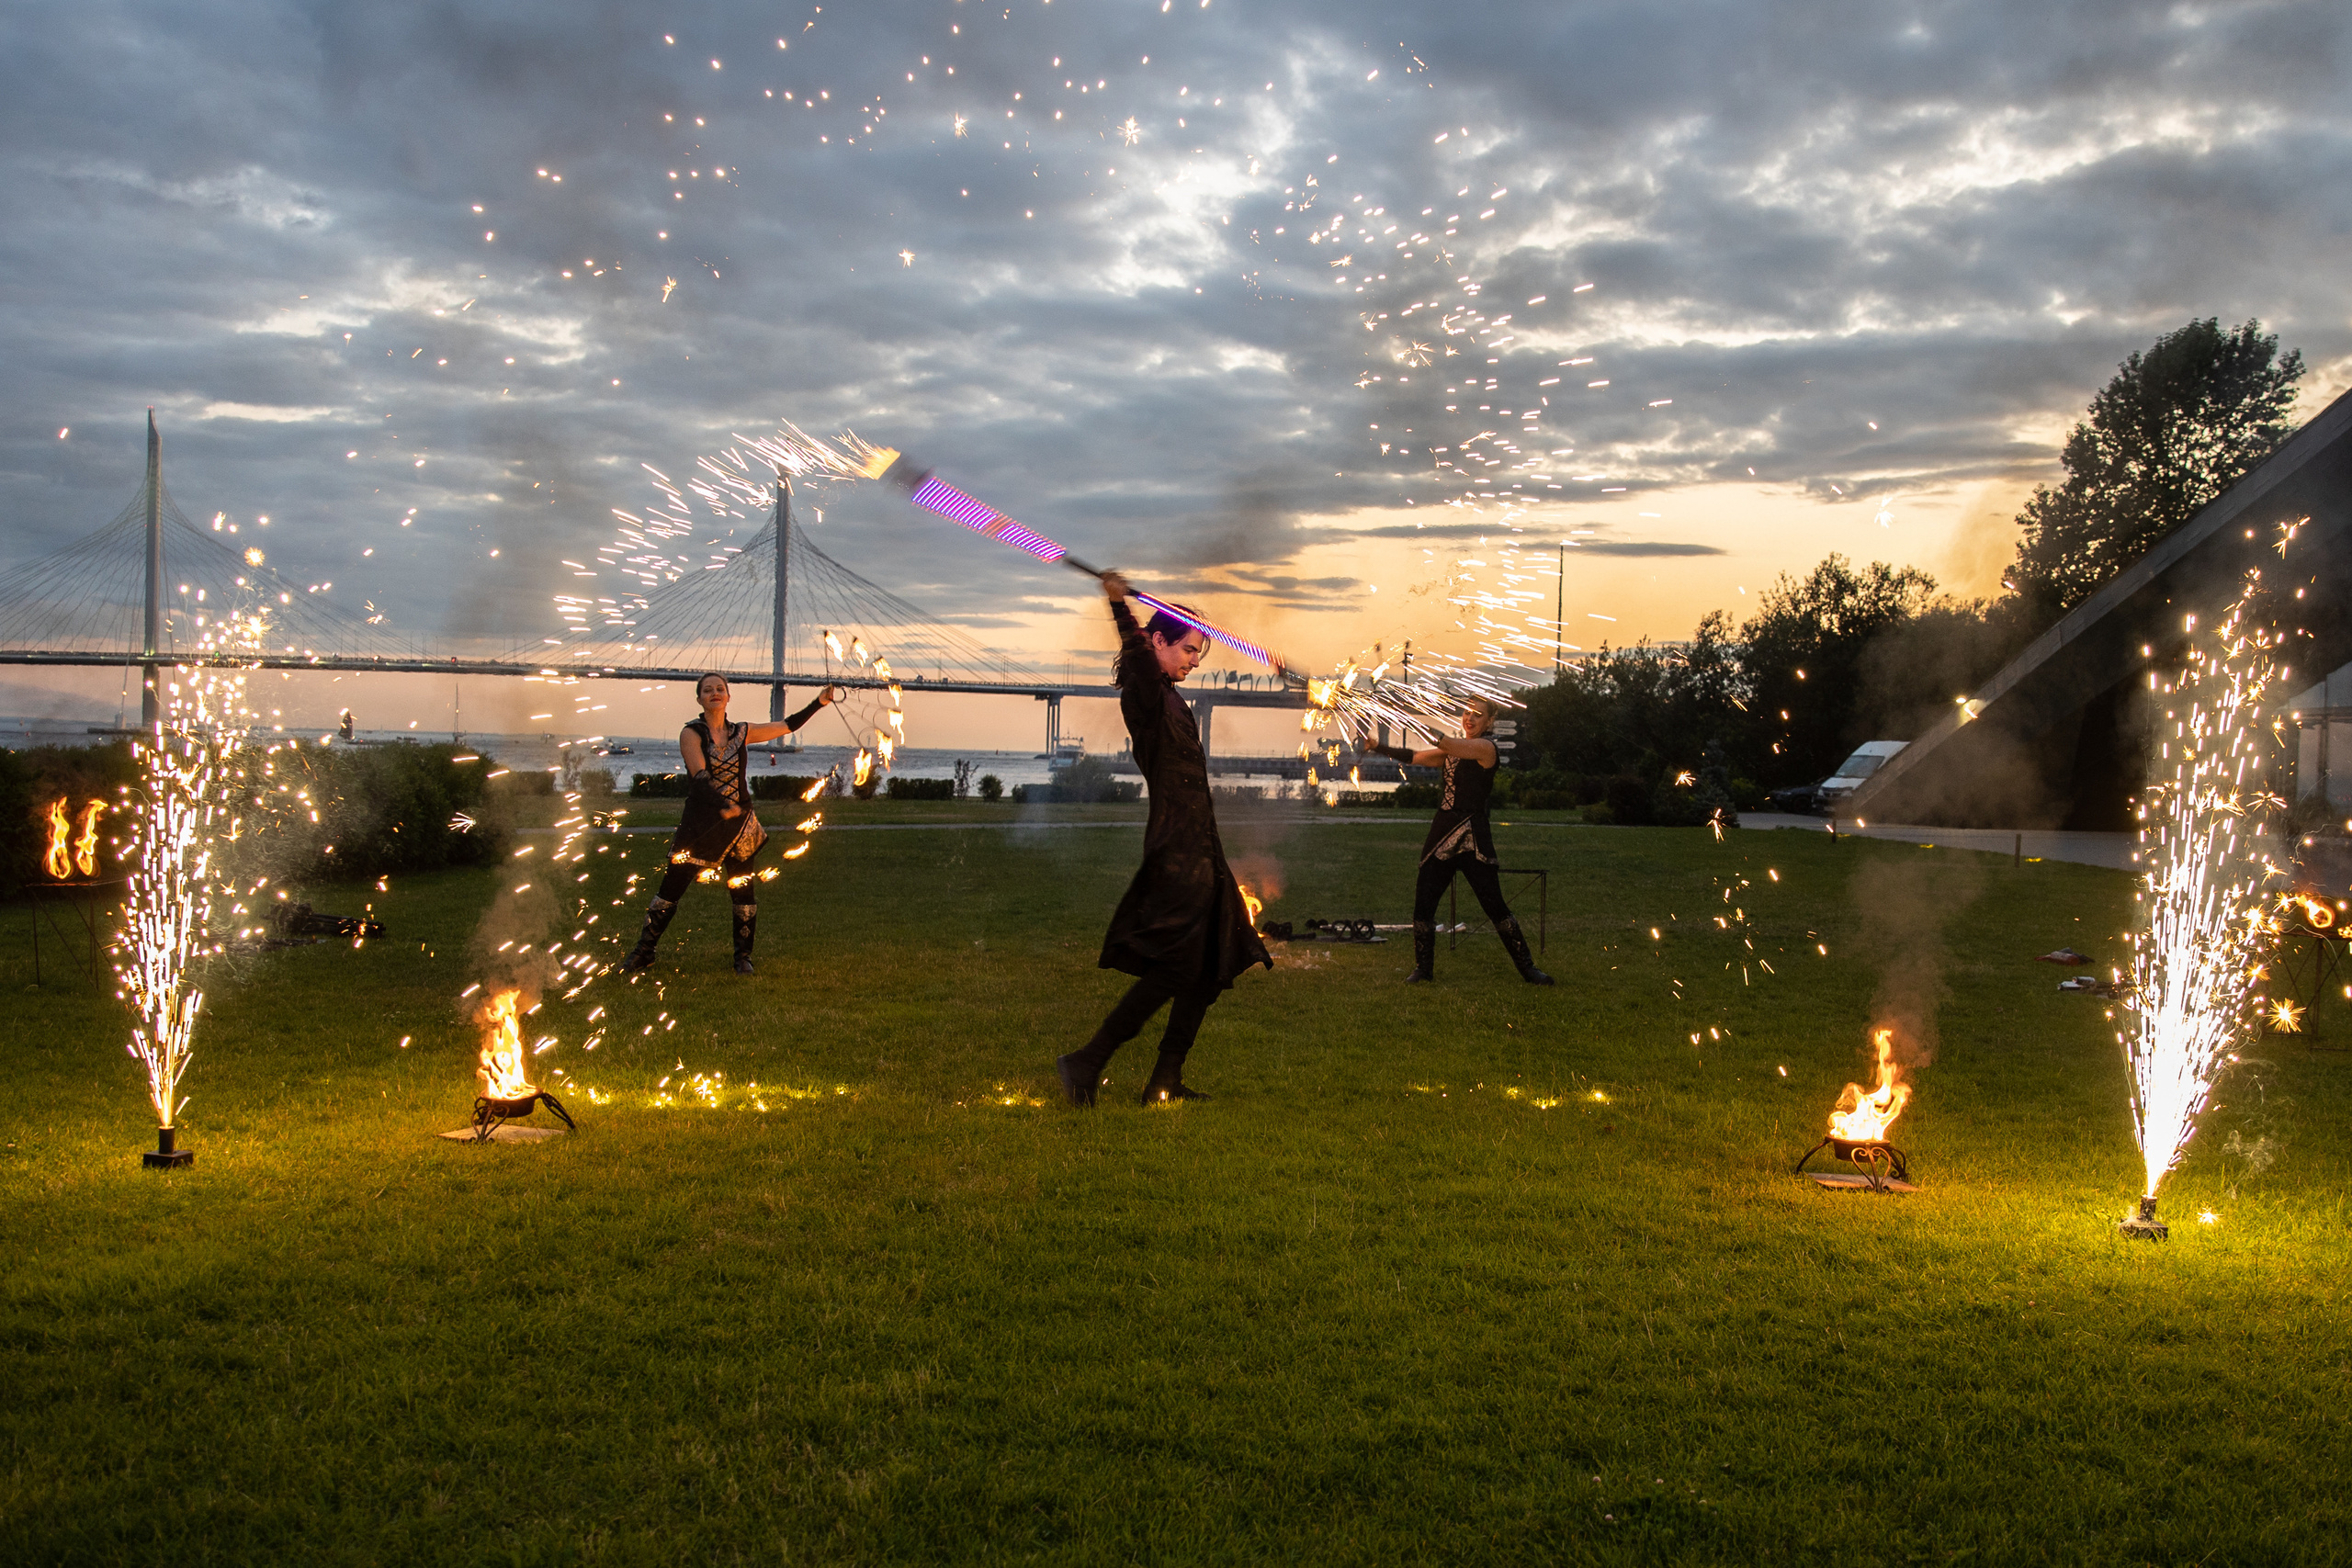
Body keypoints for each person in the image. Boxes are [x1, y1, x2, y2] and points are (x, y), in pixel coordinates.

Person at [1056, 573, 1272, 1106]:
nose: (1196, 660)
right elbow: (1133, 653)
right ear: (1158, 642)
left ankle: (1164, 1078)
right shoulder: (1146, 694)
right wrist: (1117, 603)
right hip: (1178, 851)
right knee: (1179, 965)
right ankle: (1087, 1060)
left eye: (1199, 652)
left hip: (1203, 846)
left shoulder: (1172, 699)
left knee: (1211, 964)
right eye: (1190, 650)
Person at [620, 674, 841, 976]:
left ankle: (743, 957)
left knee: (743, 890)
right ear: (699, 699)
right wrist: (725, 805)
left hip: (740, 825)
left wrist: (819, 702)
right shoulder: (691, 733)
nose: (714, 693)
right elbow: (699, 779)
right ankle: (644, 951)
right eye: (707, 690)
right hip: (703, 824)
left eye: (719, 689)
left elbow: (788, 725)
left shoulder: (742, 732)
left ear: (728, 697)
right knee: (671, 887)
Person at [1364, 698, 1554, 985]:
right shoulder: (1453, 751)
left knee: (1495, 905)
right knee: (1424, 902)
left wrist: (1411, 716)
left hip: (1473, 834)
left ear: (1489, 722)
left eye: (1478, 715)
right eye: (1466, 713)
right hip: (1442, 831)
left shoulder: (1485, 748)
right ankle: (1423, 970)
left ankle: (1528, 970)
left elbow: (1449, 744)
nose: (1470, 719)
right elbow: (1416, 757)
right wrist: (1378, 747)